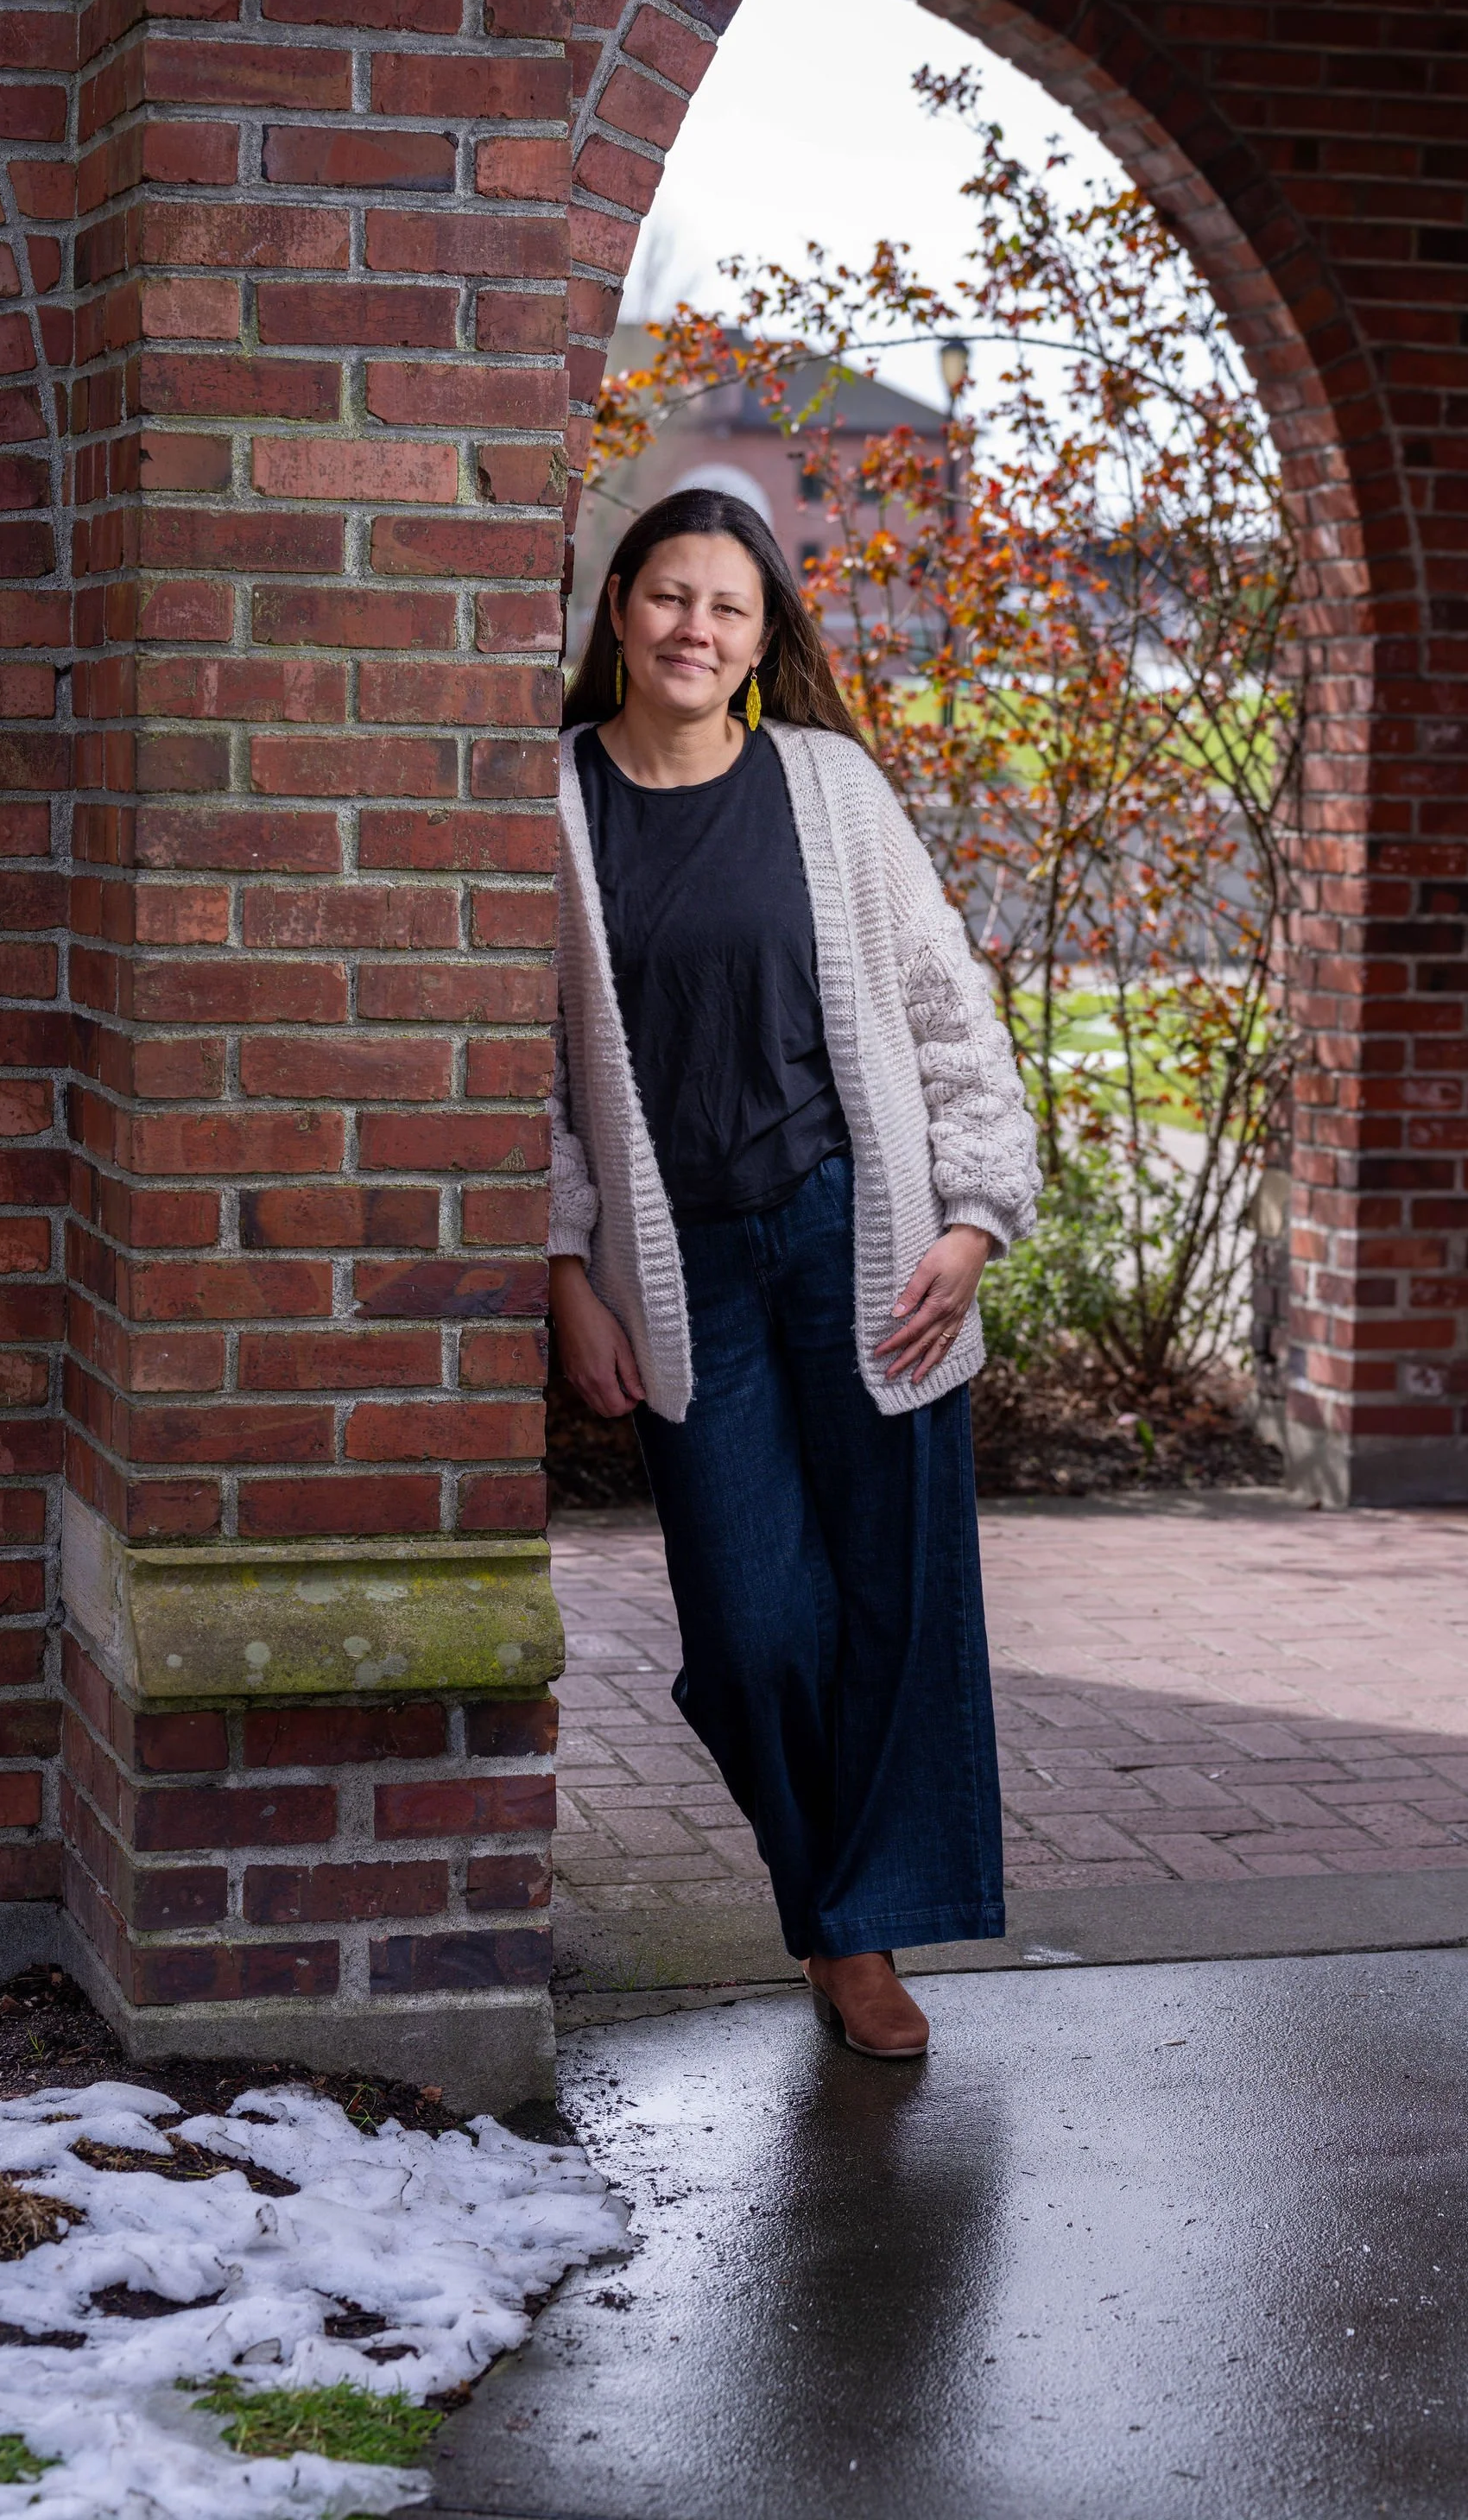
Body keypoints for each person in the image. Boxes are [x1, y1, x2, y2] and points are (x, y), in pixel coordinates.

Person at [548, 485, 1041, 2059]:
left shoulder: (828, 786)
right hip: (683, 1271)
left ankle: (852, 1939)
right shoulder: (553, 808)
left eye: (730, 608)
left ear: (765, 640)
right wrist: (568, 1272)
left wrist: (971, 1220)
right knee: (755, 1627)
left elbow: (947, 1010)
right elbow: (530, 1080)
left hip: (861, 1240)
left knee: (897, 1602)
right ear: (621, 606)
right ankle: (829, 1894)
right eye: (671, 596)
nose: (697, 629)